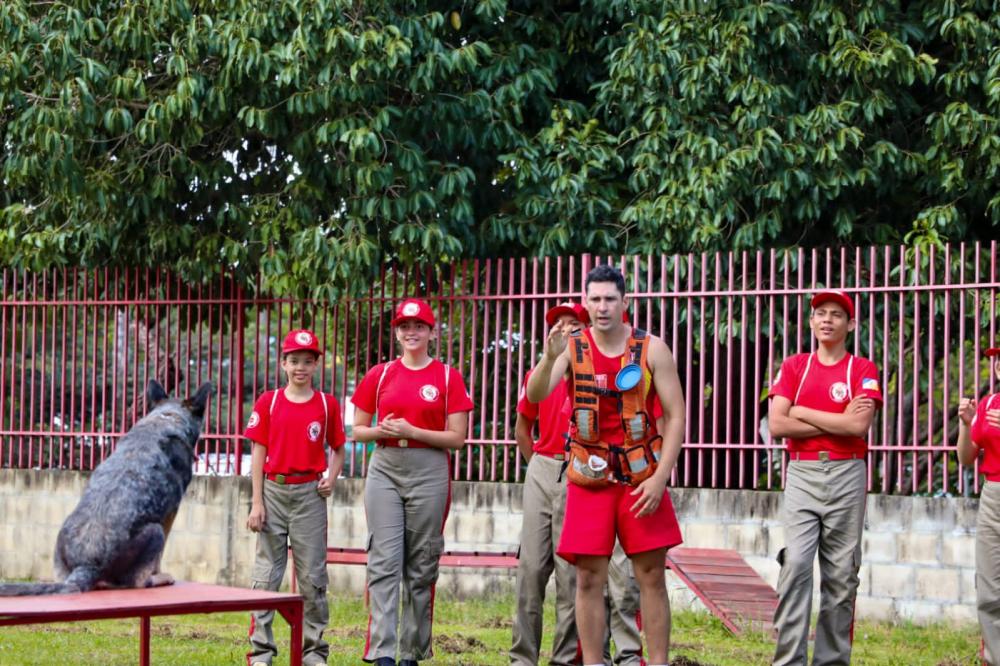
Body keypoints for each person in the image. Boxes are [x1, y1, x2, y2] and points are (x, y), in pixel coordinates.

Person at [527, 264, 686, 666]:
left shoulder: (652, 348)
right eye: (595, 299)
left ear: (624, 301)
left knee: (651, 575)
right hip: (589, 477)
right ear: (585, 302)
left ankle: (659, 662)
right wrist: (548, 358)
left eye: (610, 299)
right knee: (588, 578)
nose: (602, 307)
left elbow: (676, 416)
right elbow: (536, 394)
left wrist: (660, 478)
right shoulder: (571, 346)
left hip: (640, 478)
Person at [351, 298, 474, 666]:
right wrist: (382, 431)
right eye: (404, 327)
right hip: (386, 466)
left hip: (429, 468)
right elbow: (358, 430)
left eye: (419, 326)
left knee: (422, 563)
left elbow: (457, 438)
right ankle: (382, 652)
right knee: (384, 562)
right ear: (396, 333)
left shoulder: (447, 377)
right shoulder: (380, 374)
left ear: (431, 332)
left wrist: (413, 431)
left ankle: (412, 652)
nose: (411, 332)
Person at [767, 290, 883, 666]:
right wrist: (836, 419)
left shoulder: (862, 370)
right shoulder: (795, 366)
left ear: (851, 324)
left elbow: (858, 427)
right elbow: (778, 424)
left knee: (842, 574)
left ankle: (831, 660)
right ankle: (789, 660)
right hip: (802, 472)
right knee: (796, 565)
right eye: (820, 313)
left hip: (847, 471)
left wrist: (802, 411)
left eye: (836, 314)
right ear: (811, 322)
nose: (827, 320)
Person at [244, 328, 347, 666]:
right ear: (283, 364)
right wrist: (257, 502)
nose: (300, 367)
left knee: (312, 577)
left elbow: (338, 448)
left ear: (316, 365)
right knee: (266, 575)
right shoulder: (269, 401)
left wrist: (331, 478)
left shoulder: (326, 404)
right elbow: (258, 452)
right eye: (294, 361)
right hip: (273, 491)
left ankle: (313, 651)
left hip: (309, 496)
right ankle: (261, 652)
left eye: (307, 361)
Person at [958, 346, 1000, 665]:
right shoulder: (988, 404)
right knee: (990, 588)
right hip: (993, 495)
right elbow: (966, 457)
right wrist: (966, 423)